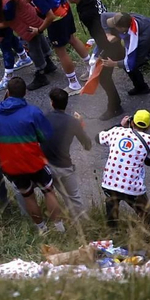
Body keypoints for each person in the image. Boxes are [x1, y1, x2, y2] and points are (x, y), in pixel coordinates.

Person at [0, 76, 68, 231]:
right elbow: (45, 136)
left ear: (7, 92)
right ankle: (59, 228)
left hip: (10, 164)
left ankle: (41, 229)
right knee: (48, 190)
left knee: (28, 195)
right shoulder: (33, 112)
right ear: (25, 93)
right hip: (33, 161)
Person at [102, 10, 150, 123]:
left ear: (123, 28)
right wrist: (108, 34)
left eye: (115, 28)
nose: (113, 29)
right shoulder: (127, 19)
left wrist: (115, 64)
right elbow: (104, 17)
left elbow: (135, 62)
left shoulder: (143, 38)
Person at [99, 110, 150, 228]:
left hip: (110, 183)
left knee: (111, 210)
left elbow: (98, 138)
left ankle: (113, 233)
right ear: (148, 127)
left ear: (132, 122)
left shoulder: (117, 131)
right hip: (132, 187)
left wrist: (120, 125)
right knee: (147, 215)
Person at [43, 87, 91, 219]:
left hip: (44, 166)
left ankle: (55, 224)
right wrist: (80, 123)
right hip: (64, 167)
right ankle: (82, 226)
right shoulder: (72, 122)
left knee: (48, 193)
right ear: (66, 103)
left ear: (52, 103)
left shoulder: (44, 117)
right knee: (73, 198)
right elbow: (87, 145)